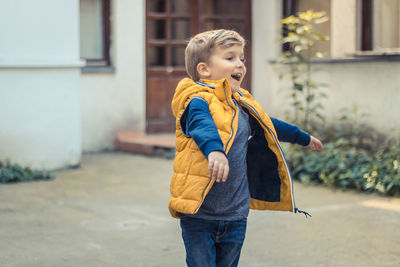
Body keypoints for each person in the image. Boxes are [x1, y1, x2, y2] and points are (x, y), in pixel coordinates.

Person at [169, 29, 324, 267]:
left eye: (241, 58)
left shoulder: (241, 103)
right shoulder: (196, 101)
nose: (240, 64)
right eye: (230, 58)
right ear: (204, 69)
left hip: (236, 215)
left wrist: (302, 137)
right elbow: (202, 126)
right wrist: (214, 151)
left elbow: (270, 124)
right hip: (199, 215)